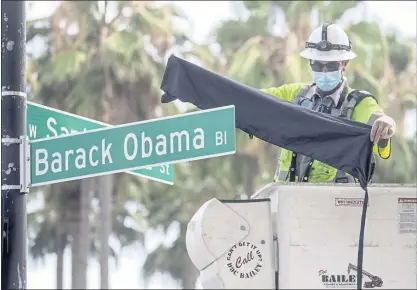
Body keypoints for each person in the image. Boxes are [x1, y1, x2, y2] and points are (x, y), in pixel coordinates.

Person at [261, 23, 396, 183]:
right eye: (317, 64)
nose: (324, 71)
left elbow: (381, 122)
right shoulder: (293, 94)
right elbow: (255, 100)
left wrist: (386, 124)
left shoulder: (360, 104)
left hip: (333, 203)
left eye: (331, 65)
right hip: (287, 200)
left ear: (344, 63)